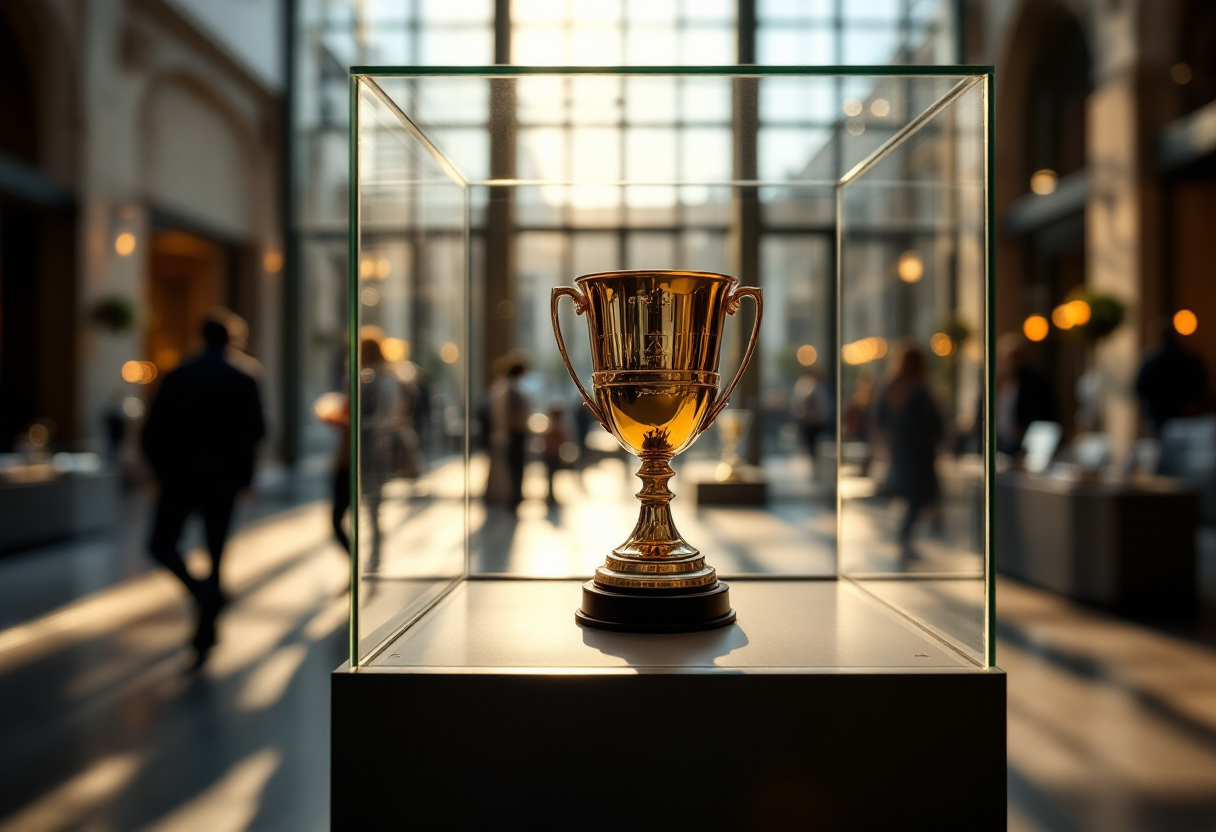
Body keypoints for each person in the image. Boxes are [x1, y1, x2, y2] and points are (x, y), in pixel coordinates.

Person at [141, 315, 265, 667]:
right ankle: (206, 608)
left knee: (161, 544)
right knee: (215, 551)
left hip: (181, 476)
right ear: (232, 339)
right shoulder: (243, 376)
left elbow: (152, 430)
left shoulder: (179, 374)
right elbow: (255, 431)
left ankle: (203, 604)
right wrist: (244, 478)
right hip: (222, 479)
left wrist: (164, 471)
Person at [876, 346, 942, 545]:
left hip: (902, 448)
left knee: (915, 492)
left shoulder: (891, 386)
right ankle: (914, 528)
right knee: (922, 493)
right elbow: (933, 422)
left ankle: (922, 525)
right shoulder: (920, 389)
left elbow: (879, 419)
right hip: (919, 450)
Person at [1136, 319, 1209, 436]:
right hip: (1185, 414)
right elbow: (1202, 386)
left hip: (1159, 414)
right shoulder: (1190, 358)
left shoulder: (1152, 360)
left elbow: (1140, 387)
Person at [994, 333, 1057, 456]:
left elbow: (1044, 417)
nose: (1009, 362)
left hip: (1024, 447)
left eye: (1013, 357)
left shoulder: (1035, 383)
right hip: (999, 445)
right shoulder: (999, 382)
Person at [485, 354, 531, 511]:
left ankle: (514, 496)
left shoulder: (504, 387)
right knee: (515, 468)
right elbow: (510, 415)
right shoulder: (510, 389)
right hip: (513, 434)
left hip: (510, 433)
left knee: (513, 467)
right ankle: (514, 497)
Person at [542, 404, 572, 505]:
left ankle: (550, 495)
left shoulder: (552, 426)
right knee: (551, 476)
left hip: (552, 453)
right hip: (552, 453)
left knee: (551, 476)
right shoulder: (554, 426)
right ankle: (550, 496)